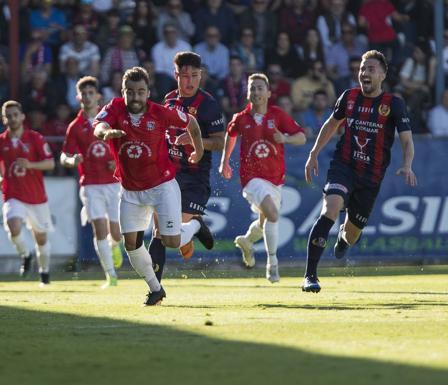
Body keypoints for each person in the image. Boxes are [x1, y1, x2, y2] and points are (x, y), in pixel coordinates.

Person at [93, 66, 213, 306]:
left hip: (162, 187)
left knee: (172, 241)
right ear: (123, 91)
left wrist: (198, 150)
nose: (135, 97)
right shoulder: (115, 108)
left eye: (140, 92)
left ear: (148, 92)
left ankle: (195, 226)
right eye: (130, 92)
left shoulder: (160, 113)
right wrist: (105, 133)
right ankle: (155, 289)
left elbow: (191, 122)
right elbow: (98, 126)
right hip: (130, 191)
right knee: (130, 244)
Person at [302, 50, 417, 293]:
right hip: (344, 166)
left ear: (383, 74)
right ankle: (310, 276)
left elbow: (407, 140)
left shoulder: (393, 104)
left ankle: (344, 238)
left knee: (352, 235)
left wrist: (407, 164)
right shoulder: (348, 97)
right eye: (362, 69)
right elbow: (331, 125)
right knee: (330, 209)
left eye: (370, 69)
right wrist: (313, 154)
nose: (364, 73)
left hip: (371, 178)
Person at [219, 73, 306, 283]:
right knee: (274, 214)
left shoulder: (278, 115)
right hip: (251, 179)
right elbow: (230, 135)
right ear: (248, 93)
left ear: (268, 93)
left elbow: (302, 137)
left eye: (260, 88)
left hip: (275, 179)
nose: (256, 92)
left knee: (266, 218)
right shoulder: (241, 118)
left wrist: (284, 138)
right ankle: (272, 264)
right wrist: (225, 160)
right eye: (252, 88)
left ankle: (248, 242)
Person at [149, 52, 224, 283]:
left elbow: (220, 143)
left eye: (194, 75)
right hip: (167, 176)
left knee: (174, 235)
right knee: (158, 233)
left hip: (194, 178)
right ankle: (155, 289)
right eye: (184, 76)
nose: (189, 81)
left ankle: (194, 225)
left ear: (200, 76)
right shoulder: (169, 100)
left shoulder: (208, 105)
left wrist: (195, 141)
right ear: (176, 76)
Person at [61, 76, 122, 288]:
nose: (87, 97)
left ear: (98, 96)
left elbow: (123, 145)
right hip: (90, 185)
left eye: (91, 93)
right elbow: (64, 155)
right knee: (99, 230)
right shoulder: (75, 126)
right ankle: (110, 275)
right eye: (83, 93)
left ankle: (116, 246)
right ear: (78, 97)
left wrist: (118, 163)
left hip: (114, 183)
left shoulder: (109, 120)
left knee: (116, 232)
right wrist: (71, 160)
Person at [0, 100, 55, 286]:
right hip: (13, 193)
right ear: (4, 119)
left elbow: (50, 163)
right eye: (8, 116)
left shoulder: (35, 138)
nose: (12, 118)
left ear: (22, 117)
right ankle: (25, 255)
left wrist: (31, 165)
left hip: (36, 197)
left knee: (41, 239)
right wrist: (0, 176)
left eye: (15, 115)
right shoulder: (0, 141)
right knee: (13, 225)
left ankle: (44, 272)